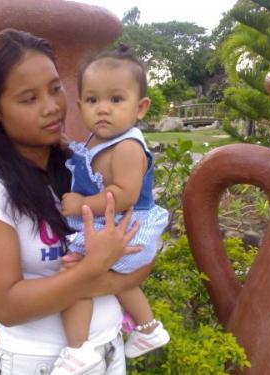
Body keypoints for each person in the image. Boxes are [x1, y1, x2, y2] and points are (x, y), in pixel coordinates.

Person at [0, 29, 153, 375]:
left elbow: (141, 252)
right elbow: (9, 306)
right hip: (42, 362)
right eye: (29, 99)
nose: (51, 108)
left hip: (107, 348)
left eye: (55, 88)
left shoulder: (82, 169)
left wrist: (108, 272)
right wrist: (96, 270)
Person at [54, 46, 170, 374]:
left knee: (74, 282)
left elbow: (124, 196)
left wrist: (80, 204)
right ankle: (149, 329)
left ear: (141, 107)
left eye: (116, 100)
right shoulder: (96, 140)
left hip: (127, 227)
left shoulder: (129, 147)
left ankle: (78, 351)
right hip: (114, 228)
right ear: (80, 106)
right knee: (117, 280)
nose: (103, 109)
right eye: (92, 100)